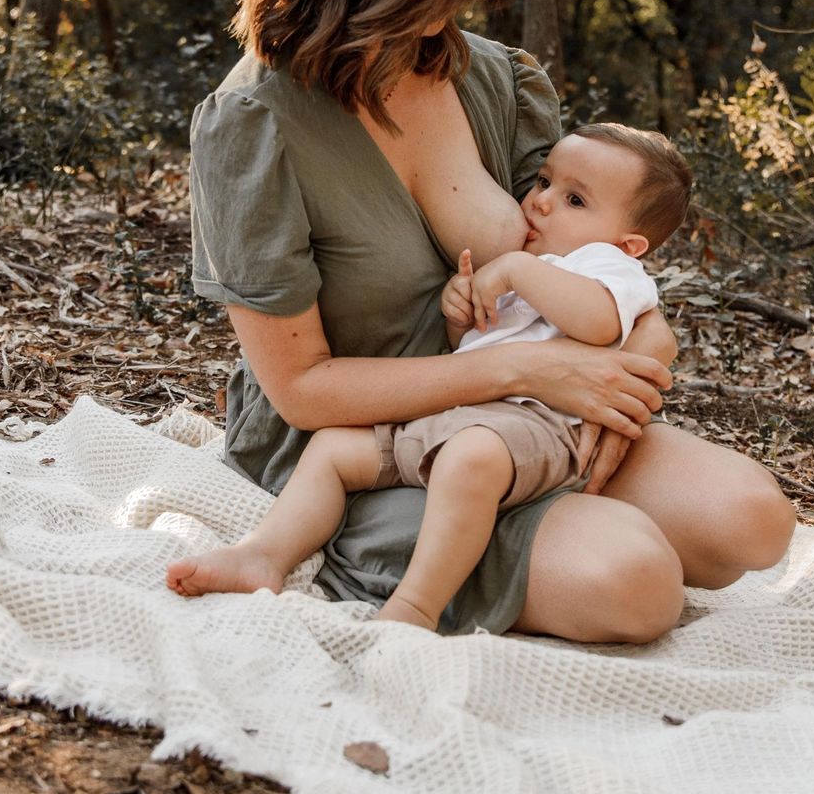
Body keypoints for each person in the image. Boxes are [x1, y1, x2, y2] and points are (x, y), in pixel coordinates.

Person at [186, 0, 794, 643]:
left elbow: (595, 261)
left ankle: (557, 527)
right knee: (634, 586)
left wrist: (632, 378)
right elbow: (304, 391)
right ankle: (448, 556)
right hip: (359, 443)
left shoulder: (497, 79)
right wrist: (520, 372)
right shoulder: (254, 126)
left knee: (752, 519)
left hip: (530, 417)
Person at [168, 123, 693, 630]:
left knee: (470, 459)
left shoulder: (607, 268)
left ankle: (418, 604)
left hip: (536, 427)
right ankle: (264, 554)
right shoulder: (543, 261)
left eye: (575, 200)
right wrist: (460, 313)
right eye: (544, 181)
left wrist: (513, 270)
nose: (540, 201)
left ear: (629, 245)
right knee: (331, 449)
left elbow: (599, 322)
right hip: (460, 411)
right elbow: (474, 349)